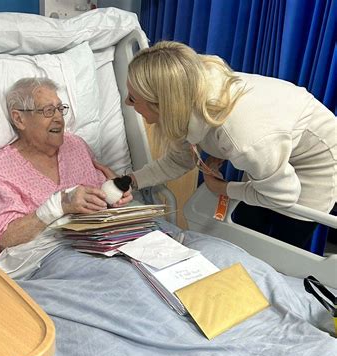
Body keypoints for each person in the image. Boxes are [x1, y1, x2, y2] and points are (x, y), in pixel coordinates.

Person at [96, 41, 336, 249]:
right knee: (248, 229)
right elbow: (181, 159)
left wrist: (223, 189)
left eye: (133, 98)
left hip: (317, 163)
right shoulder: (184, 92)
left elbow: (283, 197)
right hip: (273, 153)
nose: (127, 103)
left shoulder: (242, 138)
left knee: (282, 249)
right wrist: (130, 181)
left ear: (161, 104)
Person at [0, 77, 130, 262]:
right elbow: (3, 238)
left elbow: (102, 196)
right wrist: (59, 206)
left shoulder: (76, 146)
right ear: (19, 118)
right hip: (49, 258)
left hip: (103, 245)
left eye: (60, 109)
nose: (59, 118)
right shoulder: (0, 165)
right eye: (48, 111)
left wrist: (117, 193)